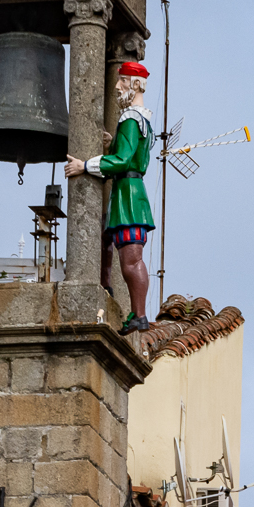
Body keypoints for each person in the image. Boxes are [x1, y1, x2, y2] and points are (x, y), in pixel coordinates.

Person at [67, 60, 156, 333]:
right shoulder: (141, 119)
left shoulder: (130, 118)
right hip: (128, 193)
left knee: (131, 260)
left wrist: (85, 166)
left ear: (136, 84)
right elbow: (130, 153)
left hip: (128, 196)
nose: (118, 86)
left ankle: (139, 314)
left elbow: (123, 160)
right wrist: (112, 143)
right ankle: (112, 291)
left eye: (123, 81)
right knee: (111, 244)